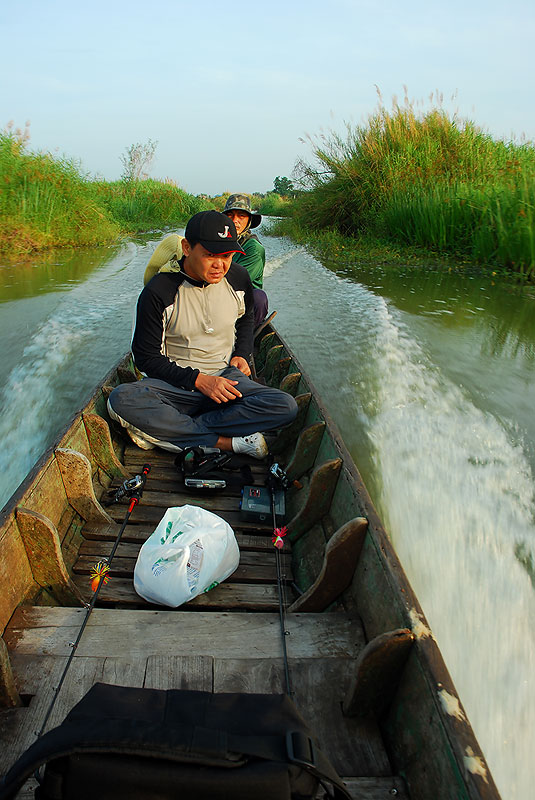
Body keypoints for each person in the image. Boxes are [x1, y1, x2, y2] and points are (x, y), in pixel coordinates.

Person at [108, 210, 297, 458]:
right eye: (210, 255)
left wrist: (242, 352)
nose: (221, 265)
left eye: (228, 255)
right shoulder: (159, 291)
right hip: (173, 388)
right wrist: (199, 381)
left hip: (225, 380)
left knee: (285, 407)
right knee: (122, 398)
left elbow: (246, 317)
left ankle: (173, 430)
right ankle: (225, 442)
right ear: (187, 248)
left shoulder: (238, 278)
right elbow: (145, 358)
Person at [223, 193, 268, 327]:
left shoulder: (253, 248)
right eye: (230, 215)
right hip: (214, 297)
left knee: (258, 297)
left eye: (241, 216)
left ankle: (245, 337)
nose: (235, 220)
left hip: (239, 301)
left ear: (248, 220)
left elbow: (235, 284)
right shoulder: (217, 241)